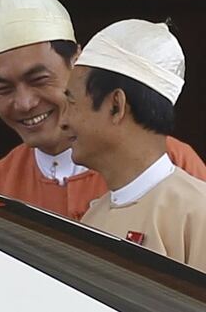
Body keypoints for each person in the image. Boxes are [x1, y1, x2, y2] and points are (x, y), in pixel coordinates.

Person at [0, 0, 206, 220]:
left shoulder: (170, 165)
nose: (24, 103)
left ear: (78, 62)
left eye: (38, 80)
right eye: (3, 88)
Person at [62, 19, 206, 271]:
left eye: (72, 103)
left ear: (116, 105)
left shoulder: (197, 213)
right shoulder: (93, 218)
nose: (63, 121)